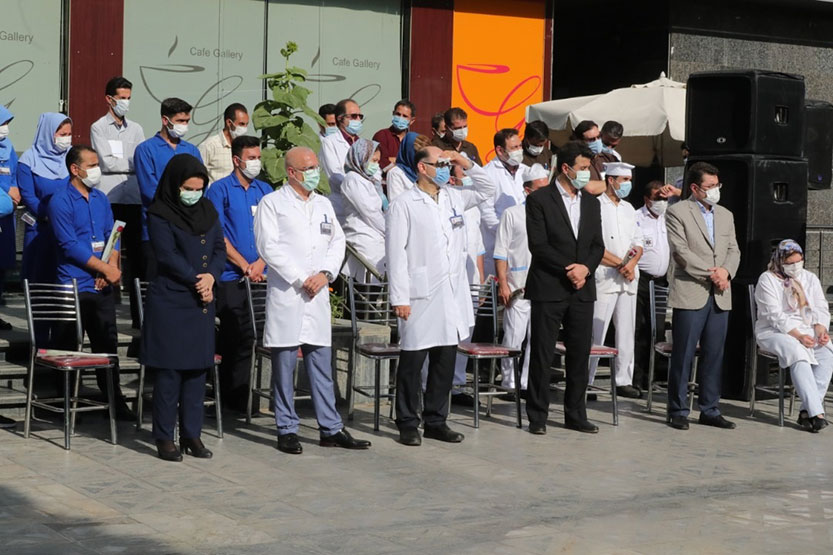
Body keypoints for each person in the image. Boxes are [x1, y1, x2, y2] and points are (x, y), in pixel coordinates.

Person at [254, 146, 370, 454]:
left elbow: (337, 241)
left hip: (317, 293)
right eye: (308, 168)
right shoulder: (272, 203)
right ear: (291, 172)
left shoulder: (323, 204)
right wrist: (299, 278)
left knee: (321, 365)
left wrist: (325, 273)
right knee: (284, 367)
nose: (315, 172)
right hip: (289, 294)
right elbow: (268, 246)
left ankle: (330, 428)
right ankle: (286, 428)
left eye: (316, 166)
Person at [386, 146, 495, 446]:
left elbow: (488, 188)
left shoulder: (454, 197)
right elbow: (395, 254)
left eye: (449, 164)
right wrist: (400, 297)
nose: (447, 168)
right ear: (422, 167)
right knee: (413, 360)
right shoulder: (404, 204)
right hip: (418, 294)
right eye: (441, 164)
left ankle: (436, 420)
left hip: (451, 293)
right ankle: (407, 421)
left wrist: (464, 161)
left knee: (444, 360)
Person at [141, 153, 224, 462]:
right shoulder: (159, 212)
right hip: (172, 299)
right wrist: (196, 280)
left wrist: (211, 276)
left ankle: (192, 433)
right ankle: (165, 436)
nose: (194, 194)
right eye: (188, 189)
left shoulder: (208, 209)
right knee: (170, 372)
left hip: (201, 300)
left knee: (197, 371)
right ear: (175, 185)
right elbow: (166, 254)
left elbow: (218, 247)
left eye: (199, 189)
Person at [524, 141, 605, 435]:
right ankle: (537, 415)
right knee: (543, 352)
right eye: (583, 168)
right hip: (549, 286)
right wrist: (570, 269)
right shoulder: (539, 199)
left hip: (582, 288)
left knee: (579, 353)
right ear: (567, 168)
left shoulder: (591, 203)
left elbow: (597, 246)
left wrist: (585, 269)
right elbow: (539, 245)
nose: (587, 174)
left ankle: (576, 413)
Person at [48, 145, 134, 419]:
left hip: (102, 283)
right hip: (73, 285)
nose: (97, 170)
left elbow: (112, 235)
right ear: (75, 169)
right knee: (68, 344)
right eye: (92, 165)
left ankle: (114, 401)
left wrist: (111, 267)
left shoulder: (100, 198)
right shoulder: (60, 200)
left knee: (107, 344)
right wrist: (103, 268)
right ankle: (66, 404)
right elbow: (69, 245)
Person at [665, 161, 740, 430]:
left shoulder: (726, 215)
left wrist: (726, 272)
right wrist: (712, 274)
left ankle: (710, 408)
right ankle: (678, 409)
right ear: (695, 188)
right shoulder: (677, 212)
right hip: (691, 291)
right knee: (683, 353)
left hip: (720, 293)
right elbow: (681, 252)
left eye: (717, 185)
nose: (715, 190)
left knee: (714, 353)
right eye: (710, 186)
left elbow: (733, 250)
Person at [205, 135, 271, 413]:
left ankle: (242, 396)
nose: (256, 162)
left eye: (258, 157)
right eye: (251, 158)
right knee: (234, 335)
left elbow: (275, 233)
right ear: (236, 160)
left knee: (253, 336)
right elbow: (217, 234)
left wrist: (261, 263)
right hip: (231, 277)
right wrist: (244, 264)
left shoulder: (265, 190)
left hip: (261, 276)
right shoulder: (219, 190)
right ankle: (225, 396)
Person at [755, 240, 832, 433]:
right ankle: (816, 414)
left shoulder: (810, 278)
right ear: (780, 261)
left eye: (799, 261)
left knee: (827, 352)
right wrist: (798, 335)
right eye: (790, 263)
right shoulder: (767, 279)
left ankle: (806, 410)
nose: (795, 266)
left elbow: (821, 307)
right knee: (798, 353)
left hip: (807, 328)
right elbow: (774, 315)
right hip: (774, 331)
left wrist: (821, 329)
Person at [90, 76, 146, 328]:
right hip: (111, 199)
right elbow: (106, 162)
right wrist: (131, 164)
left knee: (136, 257)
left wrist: (127, 164)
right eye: (122, 97)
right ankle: (106, 312)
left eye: (128, 98)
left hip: (133, 199)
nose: (126, 102)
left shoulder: (137, 129)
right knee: (109, 252)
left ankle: (138, 316)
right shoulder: (98, 127)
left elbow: (141, 160)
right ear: (109, 99)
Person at [588, 162, 643, 399]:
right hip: (605, 276)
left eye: (629, 180)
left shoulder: (629, 208)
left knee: (626, 330)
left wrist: (631, 263)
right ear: (611, 180)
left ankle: (623, 379)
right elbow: (594, 245)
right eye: (624, 180)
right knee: (596, 331)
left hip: (628, 278)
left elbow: (638, 242)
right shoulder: (596, 206)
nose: (628, 184)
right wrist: (621, 264)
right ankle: (587, 379)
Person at [494, 163, 549, 395]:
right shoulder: (512, 214)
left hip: (545, 286)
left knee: (538, 339)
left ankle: (527, 382)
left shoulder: (552, 215)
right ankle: (509, 382)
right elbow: (500, 252)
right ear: (528, 190)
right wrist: (503, 283)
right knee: (513, 336)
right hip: (518, 285)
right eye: (541, 188)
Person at [135, 98, 202, 278]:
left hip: (188, 233)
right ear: (165, 120)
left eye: (186, 121)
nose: (184, 125)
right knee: (157, 284)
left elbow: (201, 187)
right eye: (180, 121)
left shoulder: (192, 150)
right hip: (157, 233)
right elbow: (150, 191)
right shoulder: (146, 150)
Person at [18, 113, 73, 283]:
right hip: (39, 225)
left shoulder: (72, 156)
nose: (67, 139)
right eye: (62, 135)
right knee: (38, 272)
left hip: (67, 225)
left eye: (69, 134)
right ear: (48, 133)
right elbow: (28, 195)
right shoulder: (29, 159)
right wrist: (48, 214)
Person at [633, 181, 671, 390]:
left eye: (664, 198)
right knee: (638, 328)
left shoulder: (668, 217)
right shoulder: (637, 218)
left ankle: (652, 376)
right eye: (657, 198)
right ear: (647, 199)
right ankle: (636, 377)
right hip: (641, 279)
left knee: (656, 329)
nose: (662, 202)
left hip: (660, 280)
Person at [481, 128, 528, 276]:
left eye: (520, 146)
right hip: (499, 242)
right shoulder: (487, 174)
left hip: (526, 242)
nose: (519, 151)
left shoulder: (527, 171)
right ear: (500, 150)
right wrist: (507, 235)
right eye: (514, 148)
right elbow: (486, 213)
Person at [341, 138, 387, 281]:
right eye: (373, 160)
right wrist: (388, 229)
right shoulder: (353, 179)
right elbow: (369, 211)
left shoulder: (367, 180)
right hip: (363, 235)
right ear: (361, 158)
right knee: (368, 281)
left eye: (378, 161)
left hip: (374, 234)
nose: (376, 165)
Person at [320, 98, 363, 222]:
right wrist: (358, 188)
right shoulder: (329, 142)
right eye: (353, 116)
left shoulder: (362, 143)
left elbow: (373, 171)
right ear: (340, 118)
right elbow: (335, 174)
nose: (358, 120)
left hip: (364, 202)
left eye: (360, 116)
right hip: (341, 203)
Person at [0, 105, 20, 333]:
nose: (5, 128)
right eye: (2, 123)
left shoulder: (8, 148)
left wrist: (14, 189)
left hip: (6, 219)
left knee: (2, 266)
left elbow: (14, 176)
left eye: (6, 123)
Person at [198, 103, 249, 184]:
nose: (245, 128)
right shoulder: (209, 145)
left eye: (246, 124)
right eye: (241, 124)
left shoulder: (245, 147)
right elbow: (197, 174)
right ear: (229, 123)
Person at [386, 132, 432, 202]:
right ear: (409, 153)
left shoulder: (424, 170)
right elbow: (396, 202)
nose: (422, 159)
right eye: (417, 155)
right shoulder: (395, 174)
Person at [372, 99, 415, 170]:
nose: (400, 118)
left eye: (404, 116)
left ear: (412, 121)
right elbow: (382, 162)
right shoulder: (381, 135)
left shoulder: (413, 140)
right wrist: (406, 162)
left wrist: (393, 159)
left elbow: (416, 164)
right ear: (393, 113)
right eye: (398, 114)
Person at [569, 120, 606, 195]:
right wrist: (612, 183)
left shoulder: (608, 158)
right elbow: (589, 188)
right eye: (591, 139)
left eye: (598, 137)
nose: (597, 141)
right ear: (580, 141)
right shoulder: (575, 161)